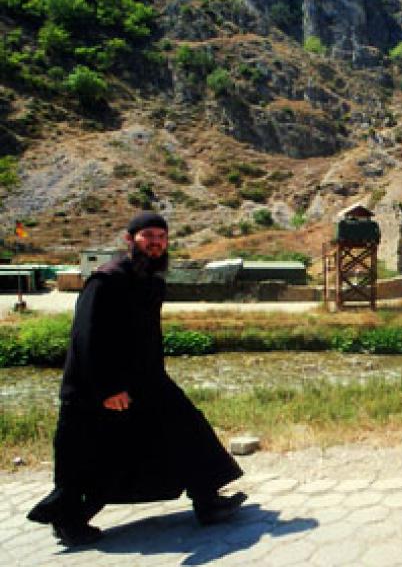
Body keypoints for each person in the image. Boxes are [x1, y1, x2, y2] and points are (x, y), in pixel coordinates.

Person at [28, 212, 246, 547]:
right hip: (98, 389)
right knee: (95, 458)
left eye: (162, 236)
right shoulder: (107, 279)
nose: (156, 242)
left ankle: (208, 500)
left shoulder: (150, 279)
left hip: (146, 382)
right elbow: (86, 337)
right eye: (149, 236)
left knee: (188, 429)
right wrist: (107, 389)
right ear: (130, 240)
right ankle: (68, 519)